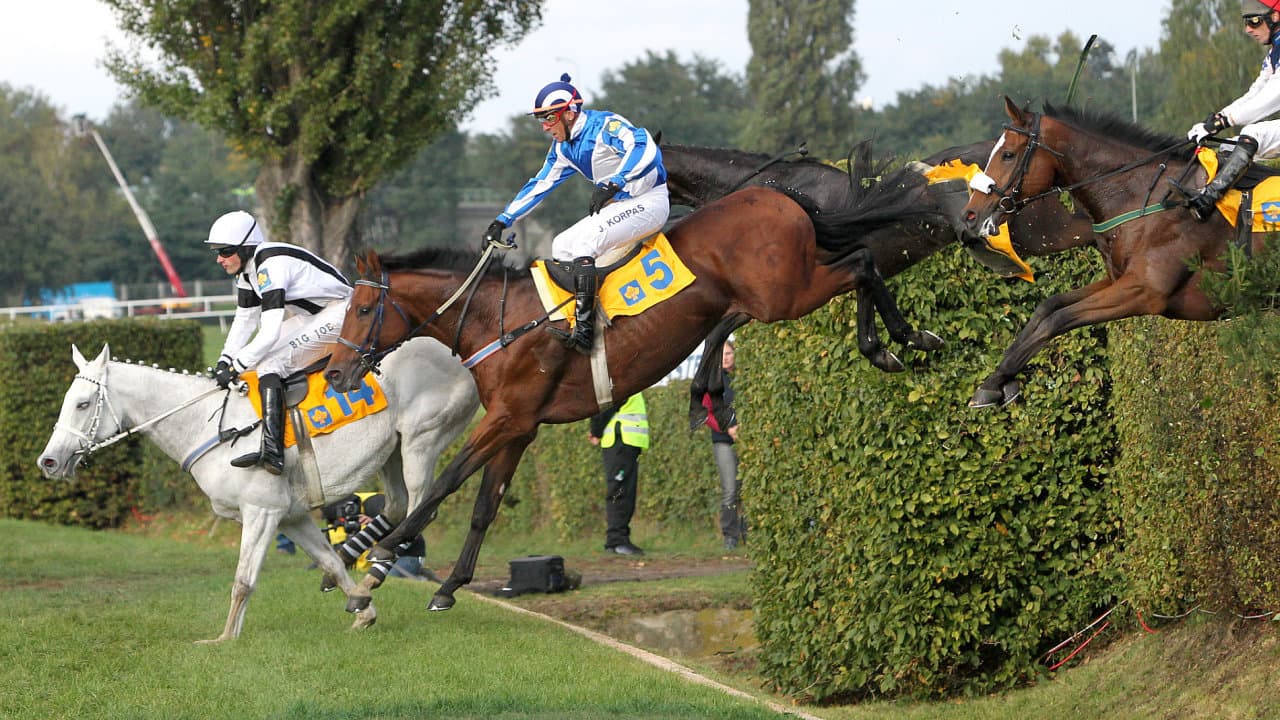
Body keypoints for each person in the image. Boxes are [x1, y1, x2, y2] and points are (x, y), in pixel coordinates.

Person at [483, 73, 670, 355]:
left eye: (548, 118)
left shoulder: (606, 125)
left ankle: (585, 330)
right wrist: (504, 219)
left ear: (568, 113)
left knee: (584, 245)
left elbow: (645, 148)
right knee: (561, 245)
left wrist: (614, 181)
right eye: (542, 120)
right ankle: (577, 317)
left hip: (650, 200)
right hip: (620, 205)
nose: (545, 127)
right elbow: (540, 184)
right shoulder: (562, 148)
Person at [207, 210, 352, 474]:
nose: (219, 259)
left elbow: (270, 331)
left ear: (245, 248)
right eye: (217, 252)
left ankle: (274, 452)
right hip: (314, 315)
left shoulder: (269, 266)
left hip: (343, 313)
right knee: (257, 361)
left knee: (271, 362)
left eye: (225, 251)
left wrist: (236, 367)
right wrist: (225, 360)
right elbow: (244, 321)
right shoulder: (248, 272)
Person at [1172, 0, 1280, 221]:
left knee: (1253, 134)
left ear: (1275, 16)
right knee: (1228, 148)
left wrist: (1223, 122)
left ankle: (1206, 202)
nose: (1248, 29)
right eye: (1246, 22)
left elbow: (1270, 99)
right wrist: (1214, 120)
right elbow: (1254, 93)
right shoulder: (1274, 53)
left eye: (1254, 20)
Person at [588, 392, 649, 556]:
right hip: (620, 441)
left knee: (625, 492)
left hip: (626, 443)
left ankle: (618, 540)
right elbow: (606, 406)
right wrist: (596, 431)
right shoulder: (622, 379)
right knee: (620, 492)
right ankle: (617, 541)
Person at [706, 340, 746, 550]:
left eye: (729, 353)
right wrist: (728, 428)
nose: (726, 357)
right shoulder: (712, 380)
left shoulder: (745, 376)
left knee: (748, 488)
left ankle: (748, 532)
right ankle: (730, 535)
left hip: (747, 438)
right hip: (723, 440)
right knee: (730, 489)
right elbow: (706, 413)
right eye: (722, 354)